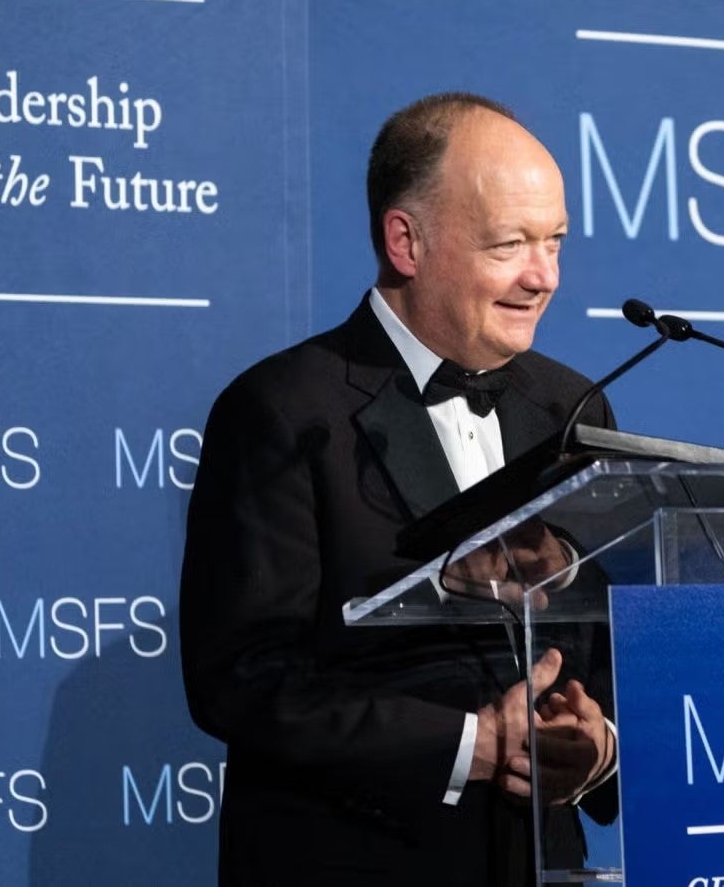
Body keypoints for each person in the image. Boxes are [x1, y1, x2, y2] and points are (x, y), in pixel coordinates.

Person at [179, 93, 617, 886]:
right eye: (510, 244)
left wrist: (597, 745)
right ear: (407, 241)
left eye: (555, 242)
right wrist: (472, 745)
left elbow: (603, 647)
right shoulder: (282, 410)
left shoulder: (572, 407)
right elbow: (241, 679)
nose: (542, 276)